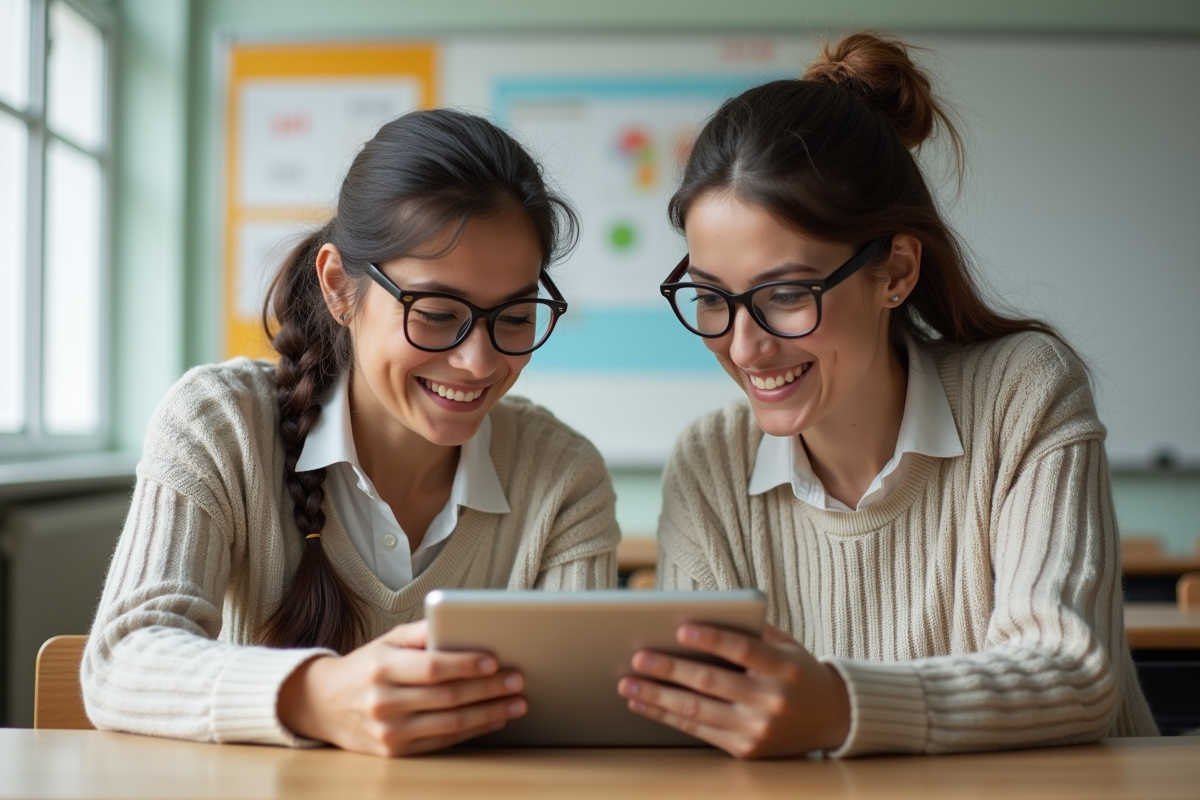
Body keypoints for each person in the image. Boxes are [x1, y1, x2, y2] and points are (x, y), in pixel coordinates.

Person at [619, 32, 1158, 758]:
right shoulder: (711, 463)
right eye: (712, 299)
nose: (744, 347)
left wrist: (840, 709)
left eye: (784, 295)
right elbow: (702, 722)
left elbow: (1071, 673)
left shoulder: (1024, 393)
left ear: (896, 271)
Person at [83, 109, 620, 756]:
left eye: (515, 316)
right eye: (438, 312)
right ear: (340, 287)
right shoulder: (221, 424)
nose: (480, 362)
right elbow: (121, 660)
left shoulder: (562, 475)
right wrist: (317, 695)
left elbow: (577, 729)